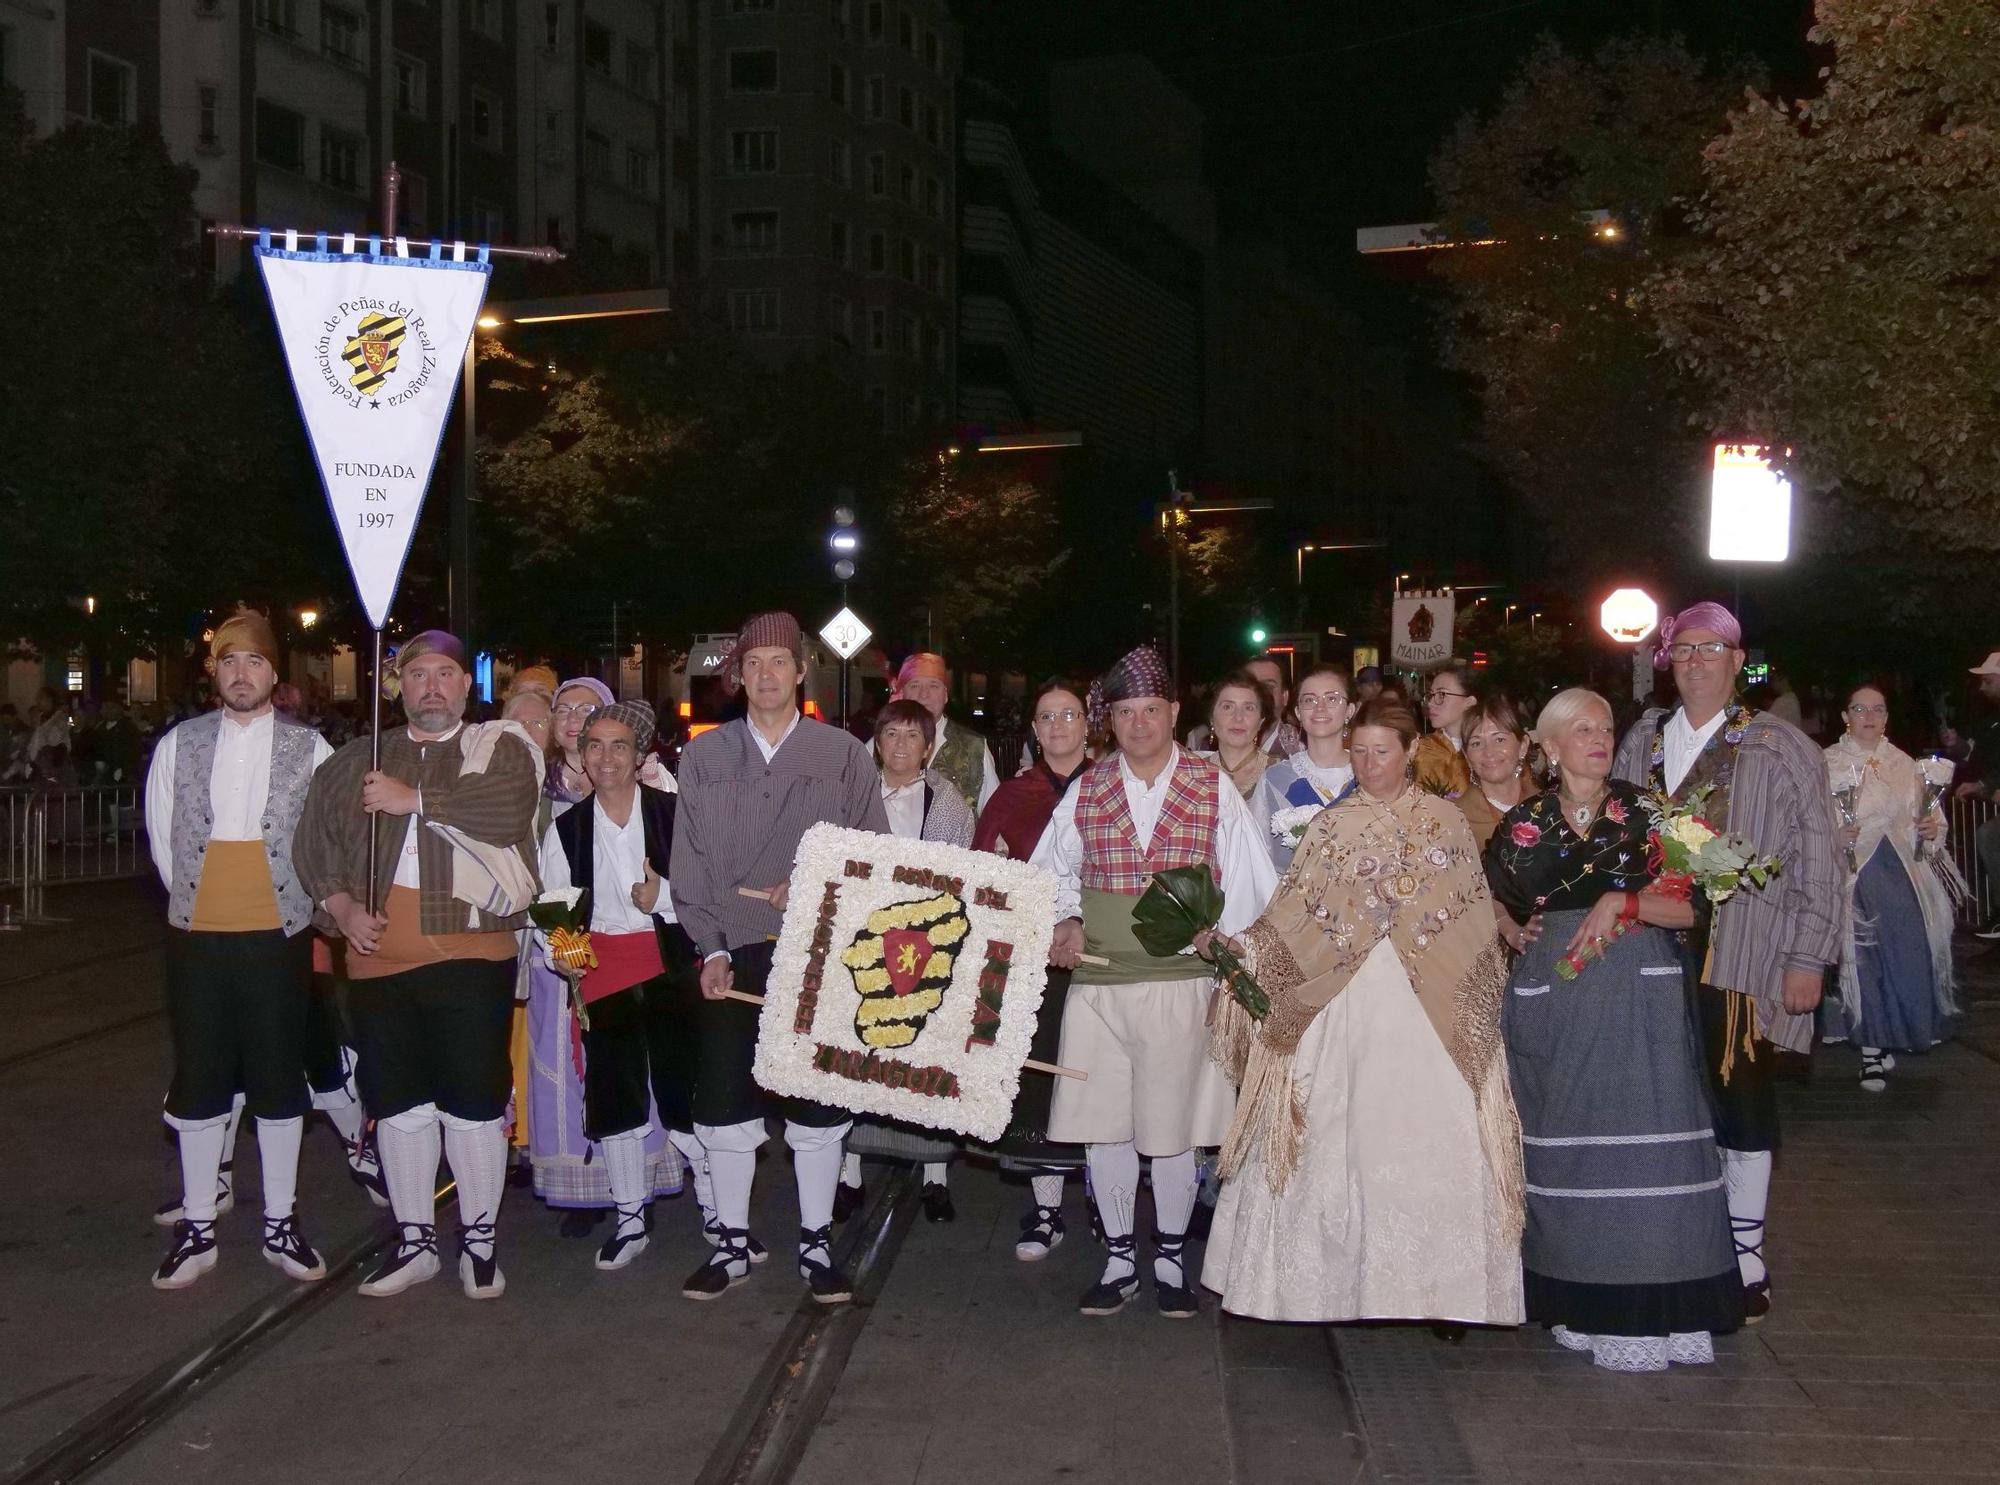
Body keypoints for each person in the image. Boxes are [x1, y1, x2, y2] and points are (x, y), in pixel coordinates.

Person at [1199, 695, 1524, 1326]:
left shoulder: (1445, 822)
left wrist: (1477, 998)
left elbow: (1469, 921)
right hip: (1340, 1002)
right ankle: (1317, 1289)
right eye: (1361, 752)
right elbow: (1292, 915)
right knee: (1329, 1140)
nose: (1370, 764)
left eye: (1383, 751)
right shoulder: (1331, 825)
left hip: (1427, 1006)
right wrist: (1245, 950)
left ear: (1409, 754)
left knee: (1427, 1139)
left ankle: (1440, 1293)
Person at [1486, 689, 1741, 1372]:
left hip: (1641, 998)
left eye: (1604, 727)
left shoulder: (1651, 810)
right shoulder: (1520, 825)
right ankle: (1582, 1303)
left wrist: (1628, 899)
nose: (1598, 738)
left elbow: (1722, 890)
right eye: (1581, 729)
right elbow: (1475, 900)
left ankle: (1674, 1305)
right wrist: (1511, 926)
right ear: (1548, 745)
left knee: (1655, 1149)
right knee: (1571, 1153)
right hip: (1559, 999)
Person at [1031, 646, 1279, 1318]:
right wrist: (1067, 916)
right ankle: (1118, 1258)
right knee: (1102, 1126)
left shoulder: (1211, 785)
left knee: (1171, 1128)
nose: (1138, 722)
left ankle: (1169, 1257)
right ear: (1106, 719)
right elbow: (1048, 871)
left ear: (1173, 712)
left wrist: (1229, 946)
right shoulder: (1088, 786)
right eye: (1124, 711)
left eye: (1150, 709)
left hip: (1180, 983)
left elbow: (1252, 880)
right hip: (1100, 985)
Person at [294, 630, 542, 1300]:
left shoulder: (499, 749)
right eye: (417, 674)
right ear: (397, 685)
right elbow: (314, 843)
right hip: (376, 964)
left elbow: (508, 811)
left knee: (472, 1101)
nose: (431, 685)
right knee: (398, 1103)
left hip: (470, 954)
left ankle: (481, 1242)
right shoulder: (355, 761)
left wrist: (416, 800)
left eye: (445, 674)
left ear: (467, 685)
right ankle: (415, 1239)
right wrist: (342, 910)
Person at [1612, 602, 1842, 1322]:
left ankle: (1745, 1253)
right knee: (1660, 1098)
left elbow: (1820, 854)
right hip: (1645, 947)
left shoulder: (1778, 744)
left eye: (1712, 650)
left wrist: (1809, 957)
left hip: (1742, 952)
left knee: (1740, 1099)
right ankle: (1673, 1237)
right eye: (1683, 651)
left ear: (1739, 662)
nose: (1696, 662)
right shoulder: (1644, 737)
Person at [669, 611, 892, 1305]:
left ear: (801, 672)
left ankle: (817, 1243)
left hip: (818, 952)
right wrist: (707, 947)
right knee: (727, 1104)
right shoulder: (703, 757)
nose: (766, 675)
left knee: (817, 1106)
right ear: (738, 678)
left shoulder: (843, 755)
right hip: (731, 953)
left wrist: (821, 883)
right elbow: (691, 866)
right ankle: (731, 1242)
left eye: (779, 663)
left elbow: (875, 856)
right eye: (753, 664)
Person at [142, 612, 334, 1290]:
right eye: (229, 663)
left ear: (273, 675)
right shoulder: (179, 744)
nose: (241, 673)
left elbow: (324, 838)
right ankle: (199, 1223)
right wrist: (201, 901)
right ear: (214, 674)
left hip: (279, 933)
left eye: (253, 662)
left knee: (279, 1076)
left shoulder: (311, 749)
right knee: (200, 1073)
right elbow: (164, 836)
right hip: (199, 934)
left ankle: (280, 1220)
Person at [537, 701, 699, 1271]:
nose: (606, 758)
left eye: (619, 746)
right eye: (595, 746)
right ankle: (630, 1219)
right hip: (602, 969)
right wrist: (571, 959)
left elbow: (711, 895)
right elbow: (556, 907)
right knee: (617, 1098)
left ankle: (720, 1214)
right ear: (581, 757)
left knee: (685, 1094)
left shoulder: (676, 814)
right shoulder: (564, 829)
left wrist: (666, 901)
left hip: (669, 964)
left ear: (641, 758)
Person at [839, 699, 976, 1224]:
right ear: (878, 741)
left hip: (926, 941)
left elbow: (958, 874)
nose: (900, 745)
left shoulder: (948, 804)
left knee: (926, 1058)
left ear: (928, 747)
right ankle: (849, 1173)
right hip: (863, 941)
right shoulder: (853, 795)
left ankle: (935, 1176)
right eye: (890, 734)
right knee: (858, 1056)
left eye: (911, 737)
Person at [972, 676, 1094, 1259]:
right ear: (1034, 729)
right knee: (1044, 1077)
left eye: (1068, 715)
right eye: (1046, 717)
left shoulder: (1114, 788)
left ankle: (1107, 1205)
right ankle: (1047, 1212)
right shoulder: (1013, 795)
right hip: (1035, 960)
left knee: (1103, 1079)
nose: (1057, 726)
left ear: (1088, 723)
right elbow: (986, 876)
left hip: (1104, 956)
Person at [1823, 684, 1959, 1088]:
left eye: (1878, 709)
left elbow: (1931, 820)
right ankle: (1870, 1048)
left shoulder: (1903, 763)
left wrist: (1931, 828)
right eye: (1860, 708)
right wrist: (1835, 835)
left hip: (1902, 875)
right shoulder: (1826, 762)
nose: (1869, 716)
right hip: (1856, 876)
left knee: (1906, 954)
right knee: (1863, 958)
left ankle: (1891, 1036)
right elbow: (1809, 821)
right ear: (1845, 715)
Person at [1259, 666, 1356, 868]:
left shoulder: (1370, 775)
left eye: (1332, 698)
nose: (1320, 707)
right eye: (1309, 700)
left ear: (1350, 710)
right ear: (1298, 712)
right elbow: (1260, 855)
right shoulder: (1276, 778)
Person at [893, 652, 1000, 811]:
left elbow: (995, 815)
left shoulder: (974, 748)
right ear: (902, 694)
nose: (924, 695)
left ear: (945, 695)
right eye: (915, 685)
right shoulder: (878, 745)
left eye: (933, 686)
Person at [1456, 694, 1537, 849]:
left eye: (1499, 740)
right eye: (1476, 743)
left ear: (1523, 746)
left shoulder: (1549, 808)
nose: (1489, 752)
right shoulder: (1456, 820)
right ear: (1466, 756)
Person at [1958, 653, 2000, 939]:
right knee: (1988, 834)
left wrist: (1984, 785)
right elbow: (1978, 759)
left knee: (1989, 834)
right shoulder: (1991, 721)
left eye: (1988, 681)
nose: (1982, 688)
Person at [1195, 668, 1281, 803]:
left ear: (1261, 721)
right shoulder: (1193, 774)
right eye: (1227, 707)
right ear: (1211, 717)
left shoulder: (1281, 773)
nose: (1238, 717)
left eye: (1249, 708)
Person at [1415, 663, 1475, 798]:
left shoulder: (1487, 750)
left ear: (1469, 702)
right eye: (1431, 695)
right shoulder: (1419, 749)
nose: (1430, 703)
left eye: (1442, 694)